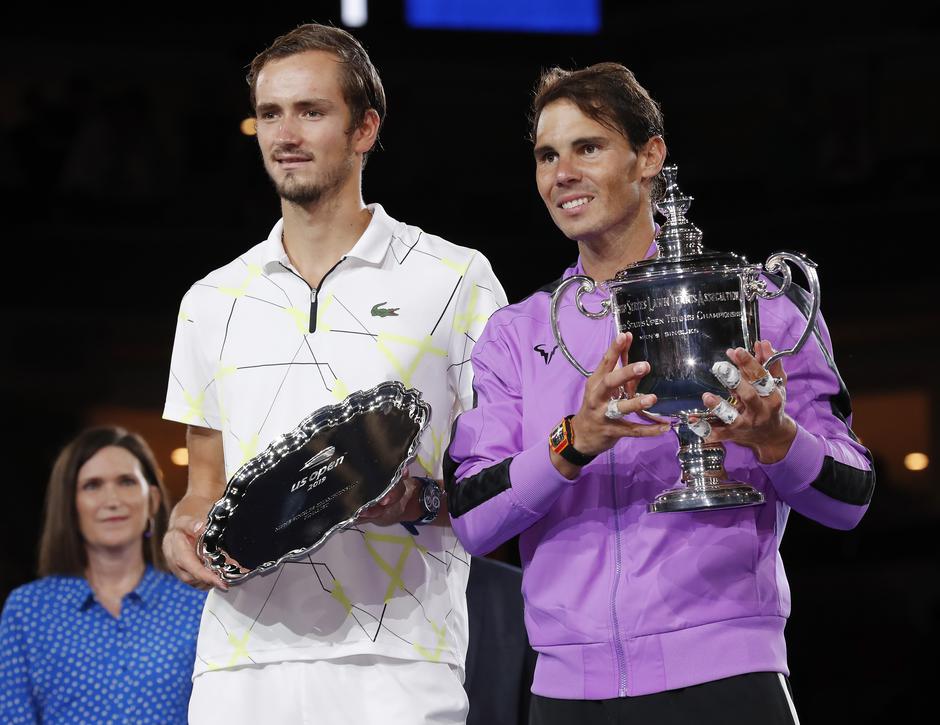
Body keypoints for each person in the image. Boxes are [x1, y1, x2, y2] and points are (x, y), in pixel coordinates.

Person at [444, 63, 875, 724]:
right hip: (568, 694)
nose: (562, 174)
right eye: (547, 155)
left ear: (649, 157)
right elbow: (474, 521)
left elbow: (850, 497)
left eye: (588, 147)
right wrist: (573, 441)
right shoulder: (515, 333)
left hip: (728, 676)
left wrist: (776, 438)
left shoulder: (756, 304)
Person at [161, 23, 506, 723]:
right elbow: (202, 491)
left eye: (311, 111)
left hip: (401, 659)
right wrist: (181, 534)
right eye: (270, 113)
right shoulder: (210, 300)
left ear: (365, 128)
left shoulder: (456, 278)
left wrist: (417, 501)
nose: (285, 134)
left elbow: (500, 480)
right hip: (240, 664)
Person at [0, 426, 206, 724]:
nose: (112, 500)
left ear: (152, 500)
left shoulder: (197, 605)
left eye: (126, 482)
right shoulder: (29, 610)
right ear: (70, 506)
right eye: (92, 486)